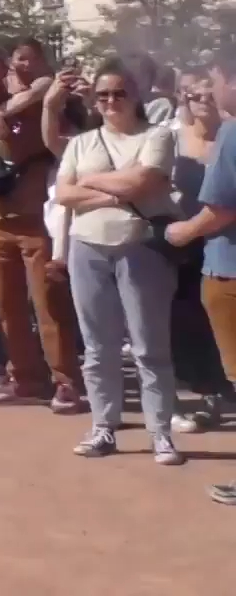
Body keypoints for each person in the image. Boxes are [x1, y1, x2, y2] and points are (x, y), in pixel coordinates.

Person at [44, 61, 182, 463]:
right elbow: (63, 194)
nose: (109, 101)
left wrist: (90, 183)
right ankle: (103, 426)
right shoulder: (81, 143)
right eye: (102, 95)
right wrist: (114, 192)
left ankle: (161, 433)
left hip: (140, 247)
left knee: (149, 345)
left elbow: (141, 183)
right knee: (97, 346)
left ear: (135, 95)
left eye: (118, 93)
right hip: (87, 247)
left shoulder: (157, 136)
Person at [0, 43, 84, 411]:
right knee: (6, 306)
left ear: (3, 67)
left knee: (48, 303)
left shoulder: (35, 102)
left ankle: (66, 380)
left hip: (34, 218)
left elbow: (62, 135)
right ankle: (24, 378)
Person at [163, 53, 236, 503]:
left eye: (216, 81)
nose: (213, 90)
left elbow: (222, 207)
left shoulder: (231, 132)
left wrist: (180, 231)